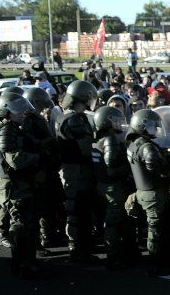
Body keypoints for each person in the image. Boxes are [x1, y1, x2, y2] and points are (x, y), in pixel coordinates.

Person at [0, 94, 45, 278]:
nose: (24, 113)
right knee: (21, 225)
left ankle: (27, 262)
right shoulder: (7, 130)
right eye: (19, 110)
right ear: (6, 111)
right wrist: (38, 157)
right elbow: (15, 160)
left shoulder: (14, 128)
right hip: (15, 185)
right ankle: (22, 264)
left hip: (20, 183)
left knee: (27, 223)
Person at [127, 109, 170, 276]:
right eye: (153, 125)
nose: (156, 128)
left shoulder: (134, 143)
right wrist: (169, 172)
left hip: (143, 192)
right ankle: (156, 263)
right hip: (153, 193)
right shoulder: (146, 147)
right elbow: (155, 168)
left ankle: (162, 259)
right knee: (156, 229)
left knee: (156, 228)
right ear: (143, 126)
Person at [56, 80, 98, 262]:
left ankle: (79, 246)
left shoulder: (63, 116)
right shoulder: (75, 119)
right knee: (78, 208)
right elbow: (86, 148)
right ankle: (78, 249)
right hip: (77, 170)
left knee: (77, 208)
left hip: (70, 169)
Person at [91, 106, 135, 270]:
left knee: (115, 221)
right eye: (117, 121)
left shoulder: (97, 140)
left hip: (102, 186)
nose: (120, 124)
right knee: (113, 223)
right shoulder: (109, 140)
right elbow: (112, 168)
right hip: (113, 187)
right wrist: (130, 167)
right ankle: (114, 257)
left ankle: (120, 253)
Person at [21, 87, 60, 254]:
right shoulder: (29, 121)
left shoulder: (35, 119)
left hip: (44, 167)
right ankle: (38, 243)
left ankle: (47, 236)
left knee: (46, 205)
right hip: (37, 170)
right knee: (36, 209)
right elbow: (32, 145)